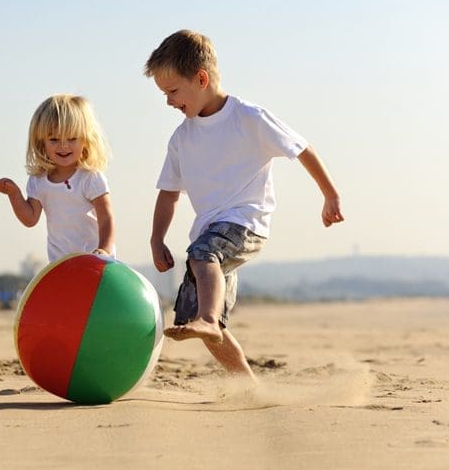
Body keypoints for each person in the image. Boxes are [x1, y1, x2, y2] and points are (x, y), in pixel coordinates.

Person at [144, 30, 344, 381]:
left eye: (173, 92)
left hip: (246, 223)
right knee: (200, 318)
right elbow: (169, 193)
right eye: (164, 94)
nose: (169, 102)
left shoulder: (248, 118)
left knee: (202, 256)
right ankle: (248, 385)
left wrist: (330, 194)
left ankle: (208, 319)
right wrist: (156, 238)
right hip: (211, 233)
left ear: (201, 79)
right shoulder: (181, 139)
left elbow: (301, 149)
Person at [0, 94, 115, 261]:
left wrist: (104, 249)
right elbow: (30, 219)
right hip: (60, 264)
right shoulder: (38, 181)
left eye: (72, 138)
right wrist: (14, 194)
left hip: (95, 262)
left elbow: (106, 218)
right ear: (42, 143)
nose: (63, 146)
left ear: (85, 140)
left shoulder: (90, 177)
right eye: (54, 139)